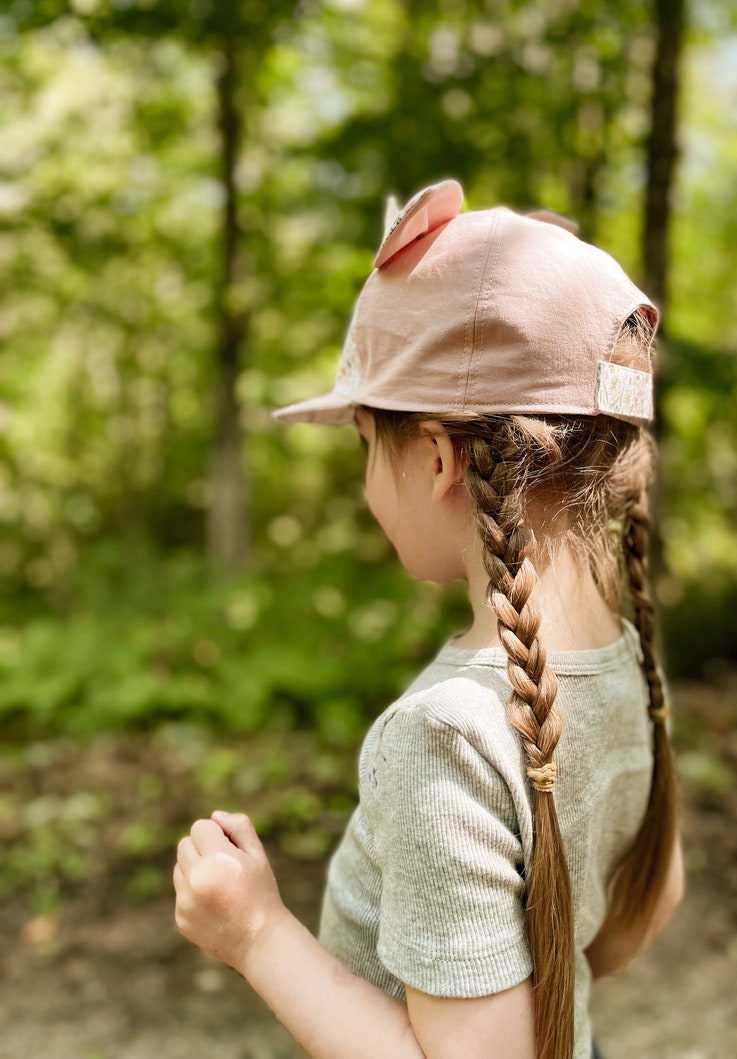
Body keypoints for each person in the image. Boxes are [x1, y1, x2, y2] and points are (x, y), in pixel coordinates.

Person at [173, 179, 685, 1059]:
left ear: (440, 456)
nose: (365, 474)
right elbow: (643, 911)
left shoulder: (442, 736)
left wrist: (255, 932)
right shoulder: (628, 658)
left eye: (368, 441)